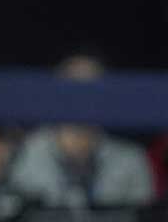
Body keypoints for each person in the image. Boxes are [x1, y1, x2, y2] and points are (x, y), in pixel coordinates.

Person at [9, 55, 155, 207]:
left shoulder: (130, 160)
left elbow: (144, 217)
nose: (82, 98)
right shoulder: (26, 153)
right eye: (74, 87)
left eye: (92, 88)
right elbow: (10, 211)